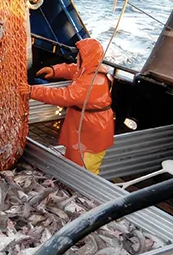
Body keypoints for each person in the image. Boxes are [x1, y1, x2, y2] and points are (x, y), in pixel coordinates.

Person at [20, 38, 114, 174]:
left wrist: (32, 91)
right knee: (72, 161)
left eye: (79, 54)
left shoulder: (94, 81)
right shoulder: (89, 69)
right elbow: (74, 69)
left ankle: (84, 193)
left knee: (84, 170)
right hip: (82, 128)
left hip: (91, 134)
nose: (76, 57)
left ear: (85, 57)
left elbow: (65, 96)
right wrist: (55, 70)